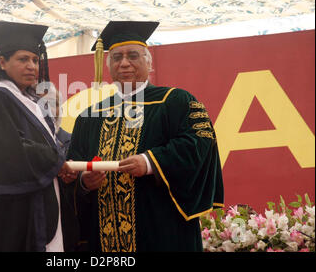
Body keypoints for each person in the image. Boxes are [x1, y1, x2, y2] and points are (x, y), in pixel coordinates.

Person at [67, 21, 224, 252]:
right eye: (116, 57)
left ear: (148, 62)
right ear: (107, 64)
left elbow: (200, 144)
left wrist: (151, 162)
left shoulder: (175, 101)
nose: (124, 63)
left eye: (133, 56)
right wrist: (83, 182)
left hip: (163, 233)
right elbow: (72, 167)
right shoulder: (89, 117)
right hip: (104, 241)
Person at [0, 21, 79, 252]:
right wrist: (56, 161)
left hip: (38, 209)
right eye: (23, 59)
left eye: (35, 60)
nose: (32, 66)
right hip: (10, 219)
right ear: (2, 62)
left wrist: (59, 166)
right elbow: (8, 152)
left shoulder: (31, 101)